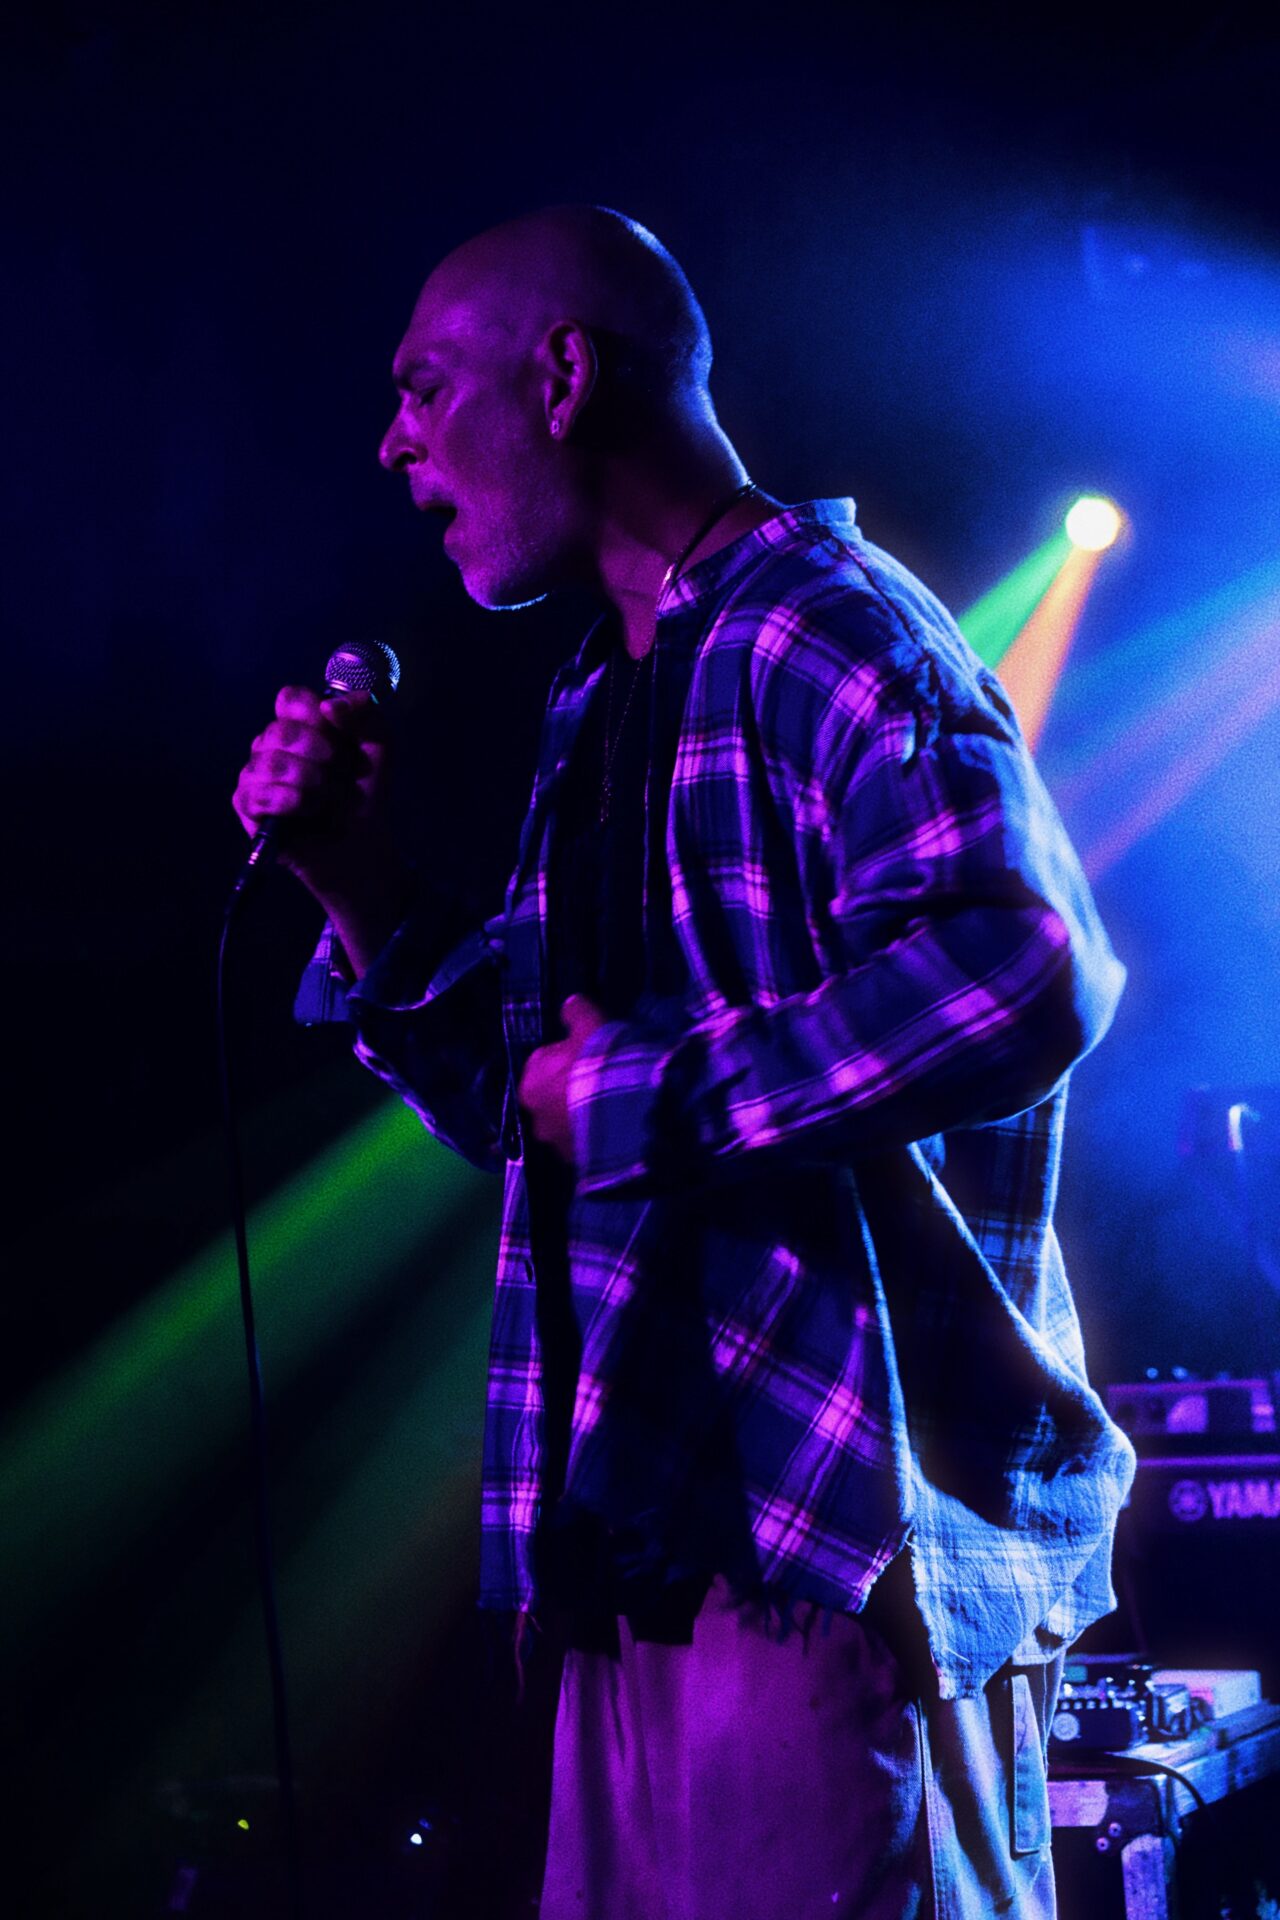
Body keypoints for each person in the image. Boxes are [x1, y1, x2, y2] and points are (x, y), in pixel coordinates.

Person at [234, 205, 1134, 1919]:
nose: (393, 441)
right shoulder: (613, 685)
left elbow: (1025, 969)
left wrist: (652, 1093)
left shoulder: (826, 628)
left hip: (829, 1551)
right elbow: (543, 1101)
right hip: (645, 1546)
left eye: (426, 388)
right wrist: (355, 885)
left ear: (563, 374)